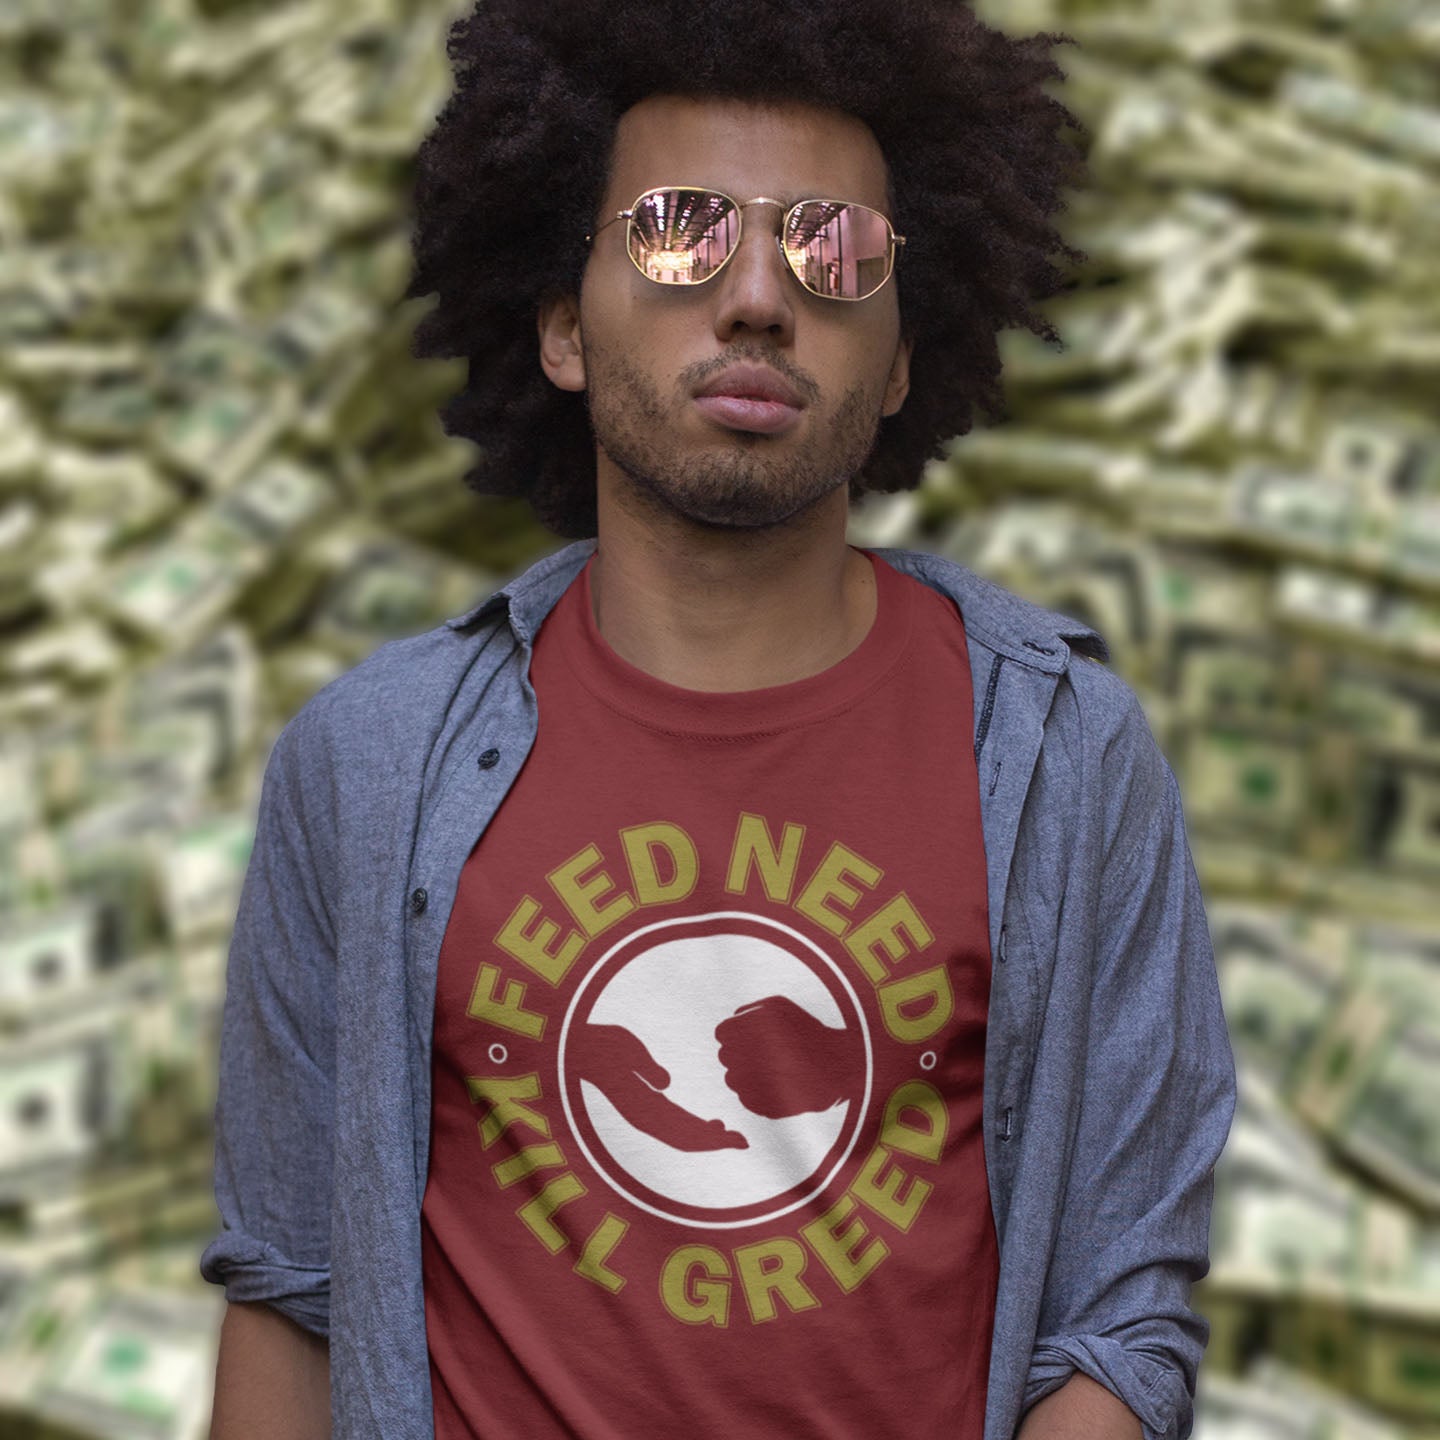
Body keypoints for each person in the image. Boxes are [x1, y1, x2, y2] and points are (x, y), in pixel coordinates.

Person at [202, 2, 1237, 1437]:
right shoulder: (366, 764)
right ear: (565, 323)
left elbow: (1123, 1319)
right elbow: (291, 1288)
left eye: (833, 248)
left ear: (895, 362)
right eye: (679, 231)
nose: (757, 295)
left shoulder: (1068, 759)